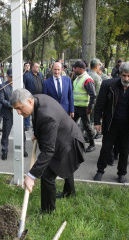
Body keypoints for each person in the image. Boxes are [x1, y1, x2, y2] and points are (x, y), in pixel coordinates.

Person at [11, 89, 85, 213]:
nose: (18, 112)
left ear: (29, 101)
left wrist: (31, 176)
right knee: (65, 164)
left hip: (69, 141)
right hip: (64, 135)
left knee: (47, 175)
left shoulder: (46, 116)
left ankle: (48, 211)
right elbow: (39, 120)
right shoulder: (37, 99)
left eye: (19, 108)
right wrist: (38, 133)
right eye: (15, 109)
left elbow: (48, 151)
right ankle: (69, 192)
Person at [93, 62, 129, 183]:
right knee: (106, 149)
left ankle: (122, 173)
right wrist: (97, 122)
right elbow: (99, 105)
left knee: (124, 151)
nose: (126, 79)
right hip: (110, 124)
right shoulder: (108, 85)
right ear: (120, 74)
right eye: (124, 75)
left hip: (127, 126)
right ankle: (100, 171)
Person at [42, 61, 75, 198]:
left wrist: (72, 110)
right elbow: (44, 100)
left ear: (62, 70)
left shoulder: (67, 80)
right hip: (53, 117)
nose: (56, 72)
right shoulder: (46, 83)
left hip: (66, 115)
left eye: (58, 70)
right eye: (54, 70)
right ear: (52, 69)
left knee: (65, 143)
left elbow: (70, 96)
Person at [0, 68, 27, 160]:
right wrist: (12, 106)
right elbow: (2, 100)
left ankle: (23, 149)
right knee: (5, 133)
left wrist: (16, 107)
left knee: (21, 132)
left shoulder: (21, 85)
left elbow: (23, 97)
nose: (12, 78)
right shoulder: (3, 86)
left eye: (14, 77)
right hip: (8, 113)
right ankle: (4, 150)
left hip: (19, 112)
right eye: (10, 77)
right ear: (7, 76)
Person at [72, 60, 97, 152]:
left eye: (75, 68)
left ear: (80, 69)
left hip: (83, 108)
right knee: (71, 123)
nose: (73, 69)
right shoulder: (78, 77)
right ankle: (73, 141)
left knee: (87, 126)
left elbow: (93, 95)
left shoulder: (87, 79)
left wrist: (89, 108)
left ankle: (92, 144)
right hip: (76, 106)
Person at [23, 62, 44, 130]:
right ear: (33, 68)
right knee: (28, 110)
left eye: (38, 67)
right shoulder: (27, 75)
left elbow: (42, 83)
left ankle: (35, 124)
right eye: (36, 67)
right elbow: (23, 86)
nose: (38, 68)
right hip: (30, 96)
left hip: (39, 97)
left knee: (37, 111)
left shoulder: (40, 74)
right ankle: (26, 125)